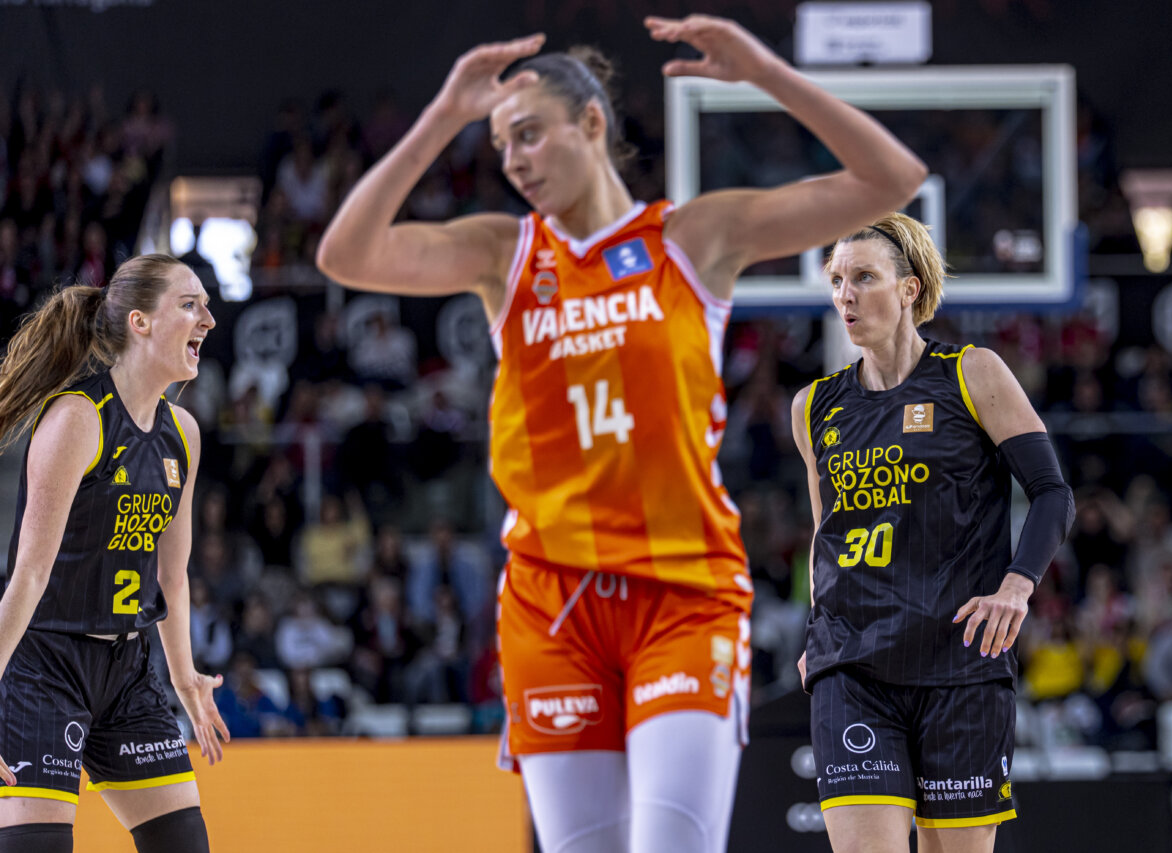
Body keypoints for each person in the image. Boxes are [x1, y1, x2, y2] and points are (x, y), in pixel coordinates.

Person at [318, 14, 925, 852]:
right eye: (501, 146)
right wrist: (443, 116)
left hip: (682, 590)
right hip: (550, 600)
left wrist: (764, 72)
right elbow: (345, 255)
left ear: (592, 124)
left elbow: (892, 178)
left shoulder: (691, 239)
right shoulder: (505, 255)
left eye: (529, 135)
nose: (515, 161)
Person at [792, 213, 1075, 853]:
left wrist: (1017, 587)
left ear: (910, 288)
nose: (845, 295)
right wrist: (817, 629)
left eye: (864, 277)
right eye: (837, 280)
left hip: (960, 662)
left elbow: (1053, 493)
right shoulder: (814, 407)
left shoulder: (972, 374)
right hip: (853, 666)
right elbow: (824, 536)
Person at [0, 255, 227, 853]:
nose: (208, 318)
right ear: (140, 322)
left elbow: (172, 578)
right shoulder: (79, 417)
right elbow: (28, 576)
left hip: (128, 668)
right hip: (44, 663)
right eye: (189, 305)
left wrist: (184, 676)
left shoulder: (184, 433)